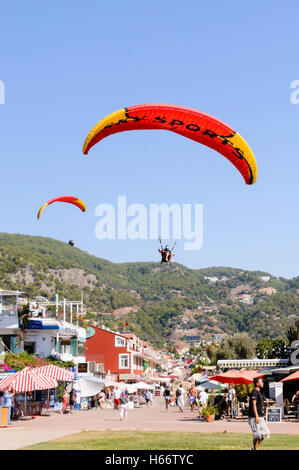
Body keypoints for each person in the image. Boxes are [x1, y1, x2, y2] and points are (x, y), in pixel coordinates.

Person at [248, 377, 270, 451]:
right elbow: (253, 404)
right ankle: (255, 449)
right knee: (257, 435)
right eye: (261, 382)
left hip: (260, 416)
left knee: (265, 433)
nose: (263, 383)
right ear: (257, 383)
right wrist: (256, 416)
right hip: (254, 417)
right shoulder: (254, 392)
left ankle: (254, 449)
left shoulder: (260, 392)